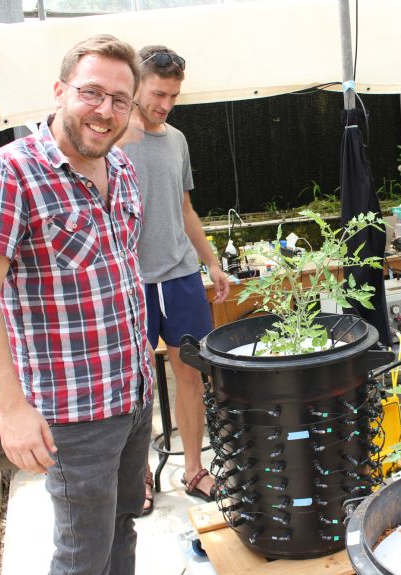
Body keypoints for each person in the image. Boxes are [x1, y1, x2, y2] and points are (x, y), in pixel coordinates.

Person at [0, 35, 152, 574]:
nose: (105, 110)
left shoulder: (123, 170)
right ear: (60, 90)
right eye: (92, 92)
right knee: (81, 552)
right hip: (73, 412)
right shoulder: (10, 173)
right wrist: (13, 410)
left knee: (121, 527)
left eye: (120, 99)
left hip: (133, 396)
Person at [121, 45, 230, 514]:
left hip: (181, 275)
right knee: (137, 383)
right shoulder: (114, 138)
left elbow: (185, 208)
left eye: (173, 96)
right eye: (158, 93)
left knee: (191, 374)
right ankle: (140, 476)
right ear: (136, 84)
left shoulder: (177, 140)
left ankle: (193, 470)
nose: (165, 103)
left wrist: (211, 261)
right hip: (133, 280)